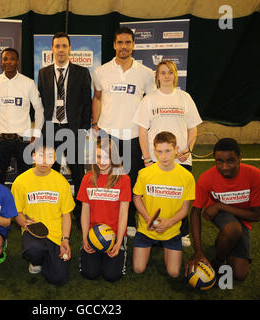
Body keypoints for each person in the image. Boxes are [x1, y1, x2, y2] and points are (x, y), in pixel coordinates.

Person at [92, 27, 155, 238]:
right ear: (114, 45)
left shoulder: (146, 74)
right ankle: (106, 219)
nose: (124, 47)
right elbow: (98, 98)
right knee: (108, 178)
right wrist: (95, 124)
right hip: (108, 133)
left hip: (134, 135)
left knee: (131, 180)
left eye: (128, 42)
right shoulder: (101, 71)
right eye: (120, 42)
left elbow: (151, 103)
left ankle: (129, 222)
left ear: (133, 45)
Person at [133, 59, 203, 247]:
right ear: (157, 76)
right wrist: (147, 158)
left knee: (180, 196)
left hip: (180, 160)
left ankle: (182, 232)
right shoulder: (149, 99)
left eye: (170, 72)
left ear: (175, 75)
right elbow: (142, 131)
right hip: (155, 159)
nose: (166, 76)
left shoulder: (185, 98)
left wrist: (188, 149)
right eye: (162, 72)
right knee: (155, 196)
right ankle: (151, 228)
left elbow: (193, 129)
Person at [185, 138, 260, 281]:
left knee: (239, 275)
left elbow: (256, 216)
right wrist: (198, 251)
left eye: (230, 161)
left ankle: (224, 242)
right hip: (220, 215)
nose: (224, 166)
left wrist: (220, 205)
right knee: (233, 228)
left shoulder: (255, 176)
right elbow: (195, 212)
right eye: (219, 161)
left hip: (238, 215)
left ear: (240, 158)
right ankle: (218, 262)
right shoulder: (206, 178)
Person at [37, 32, 92, 227]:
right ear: (52, 49)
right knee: (50, 172)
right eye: (57, 46)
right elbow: (41, 102)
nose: (61, 50)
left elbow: (88, 102)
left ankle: (78, 213)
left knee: (77, 173)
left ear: (70, 49)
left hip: (73, 129)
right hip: (51, 128)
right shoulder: (43, 73)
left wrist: (83, 129)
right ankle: (53, 211)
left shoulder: (82, 72)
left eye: (64, 46)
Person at [11, 141, 75, 286]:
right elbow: (17, 212)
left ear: (55, 159)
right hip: (32, 231)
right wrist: (25, 224)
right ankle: (36, 261)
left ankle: (48, 258)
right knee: (34, 249)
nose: (45, 161)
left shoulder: (61, 182)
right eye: (41, 156)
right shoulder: (20, 181)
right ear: (33, 157)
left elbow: (66, 215)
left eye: (50, 157)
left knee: (59, 279)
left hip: (55, 234)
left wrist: (65, 239)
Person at [132, 132, 195, 278]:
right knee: (138, 269)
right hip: (146, 229)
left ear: (176, 149)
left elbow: (185, 209)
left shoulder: (186, 177)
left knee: (173, 273)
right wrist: (149, 219)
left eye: (168, 151)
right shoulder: (145, 173)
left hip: (171, 230)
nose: (164, 156)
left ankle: (166, 245)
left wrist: (169, 223)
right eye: (159, 152)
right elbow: (136, 198)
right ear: (154, 151)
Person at [0, 48, 44, 184]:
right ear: (1, 63)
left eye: (12, 59)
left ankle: (26, 205)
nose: (8, 62)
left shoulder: (28, 83)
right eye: (5, 59)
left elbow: (39, 109)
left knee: (27, 179)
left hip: (23, 140)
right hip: (0, 139)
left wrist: (37, 133)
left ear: (18, 62)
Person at [77, 137, 131, 282]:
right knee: (90, 273)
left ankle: (119, 251)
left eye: (107, 157)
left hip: (114, 234)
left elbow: (123, 213)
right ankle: (90, 253)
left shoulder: (123, 179)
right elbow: (85, 211)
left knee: (111, 275)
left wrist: (119, 242)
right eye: (99, 156)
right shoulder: (87, 179)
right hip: (93, 234)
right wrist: (85, 238)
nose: (102, 161)